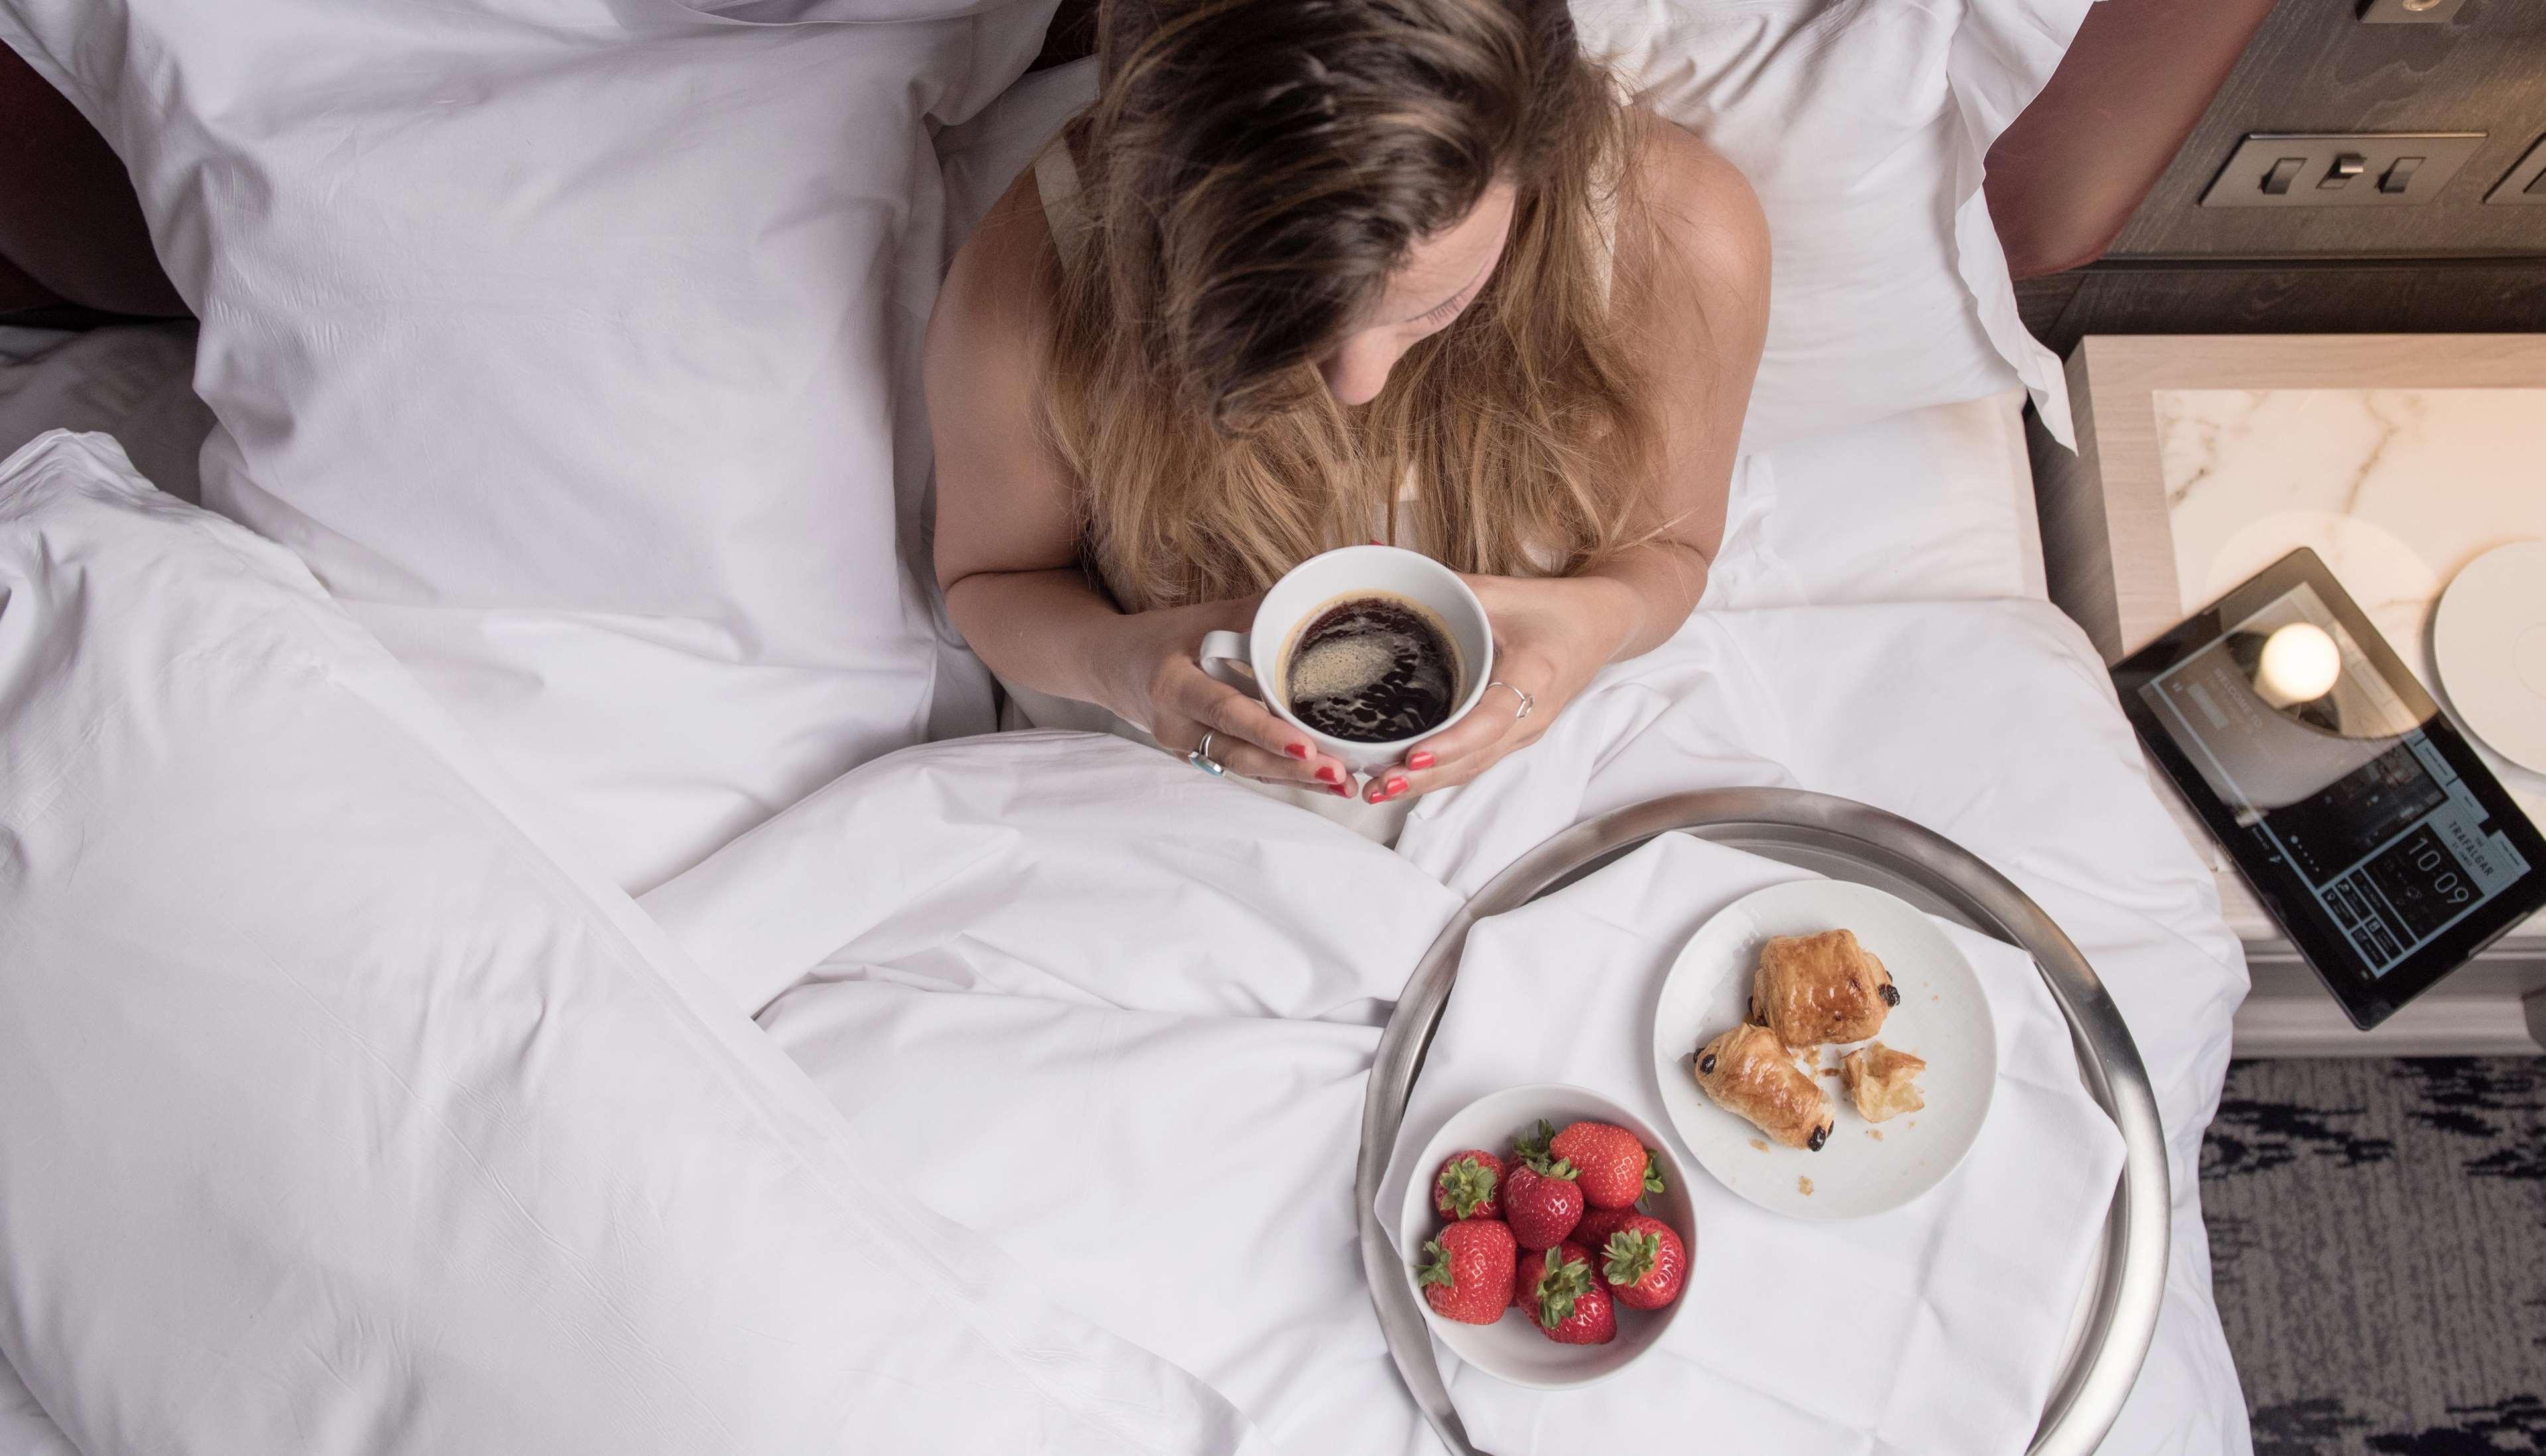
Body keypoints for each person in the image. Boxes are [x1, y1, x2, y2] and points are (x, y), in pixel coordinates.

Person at [926, 0, 1767, 833]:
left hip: (1550, 786)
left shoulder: (1677, 236)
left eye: (1433, 306)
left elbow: (1671, 550)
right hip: (1159, 806)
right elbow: (990, 582)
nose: (1356, 386)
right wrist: (1121, 666)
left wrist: (1597, 622)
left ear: (1537, 153)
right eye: (1279, 321)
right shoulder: (1032, 282)